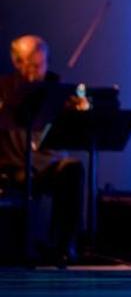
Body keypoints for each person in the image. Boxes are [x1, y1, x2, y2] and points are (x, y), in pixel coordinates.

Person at [0, 35, 85, 264]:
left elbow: (71, 126)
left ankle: (63, 245)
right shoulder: (4, 88)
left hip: (46, 163)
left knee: (72, 168)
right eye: (29, 65)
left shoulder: (54, 91)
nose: (35, 72)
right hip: (14, 166)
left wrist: (78, 110)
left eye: (40, 65)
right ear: (17, 63)